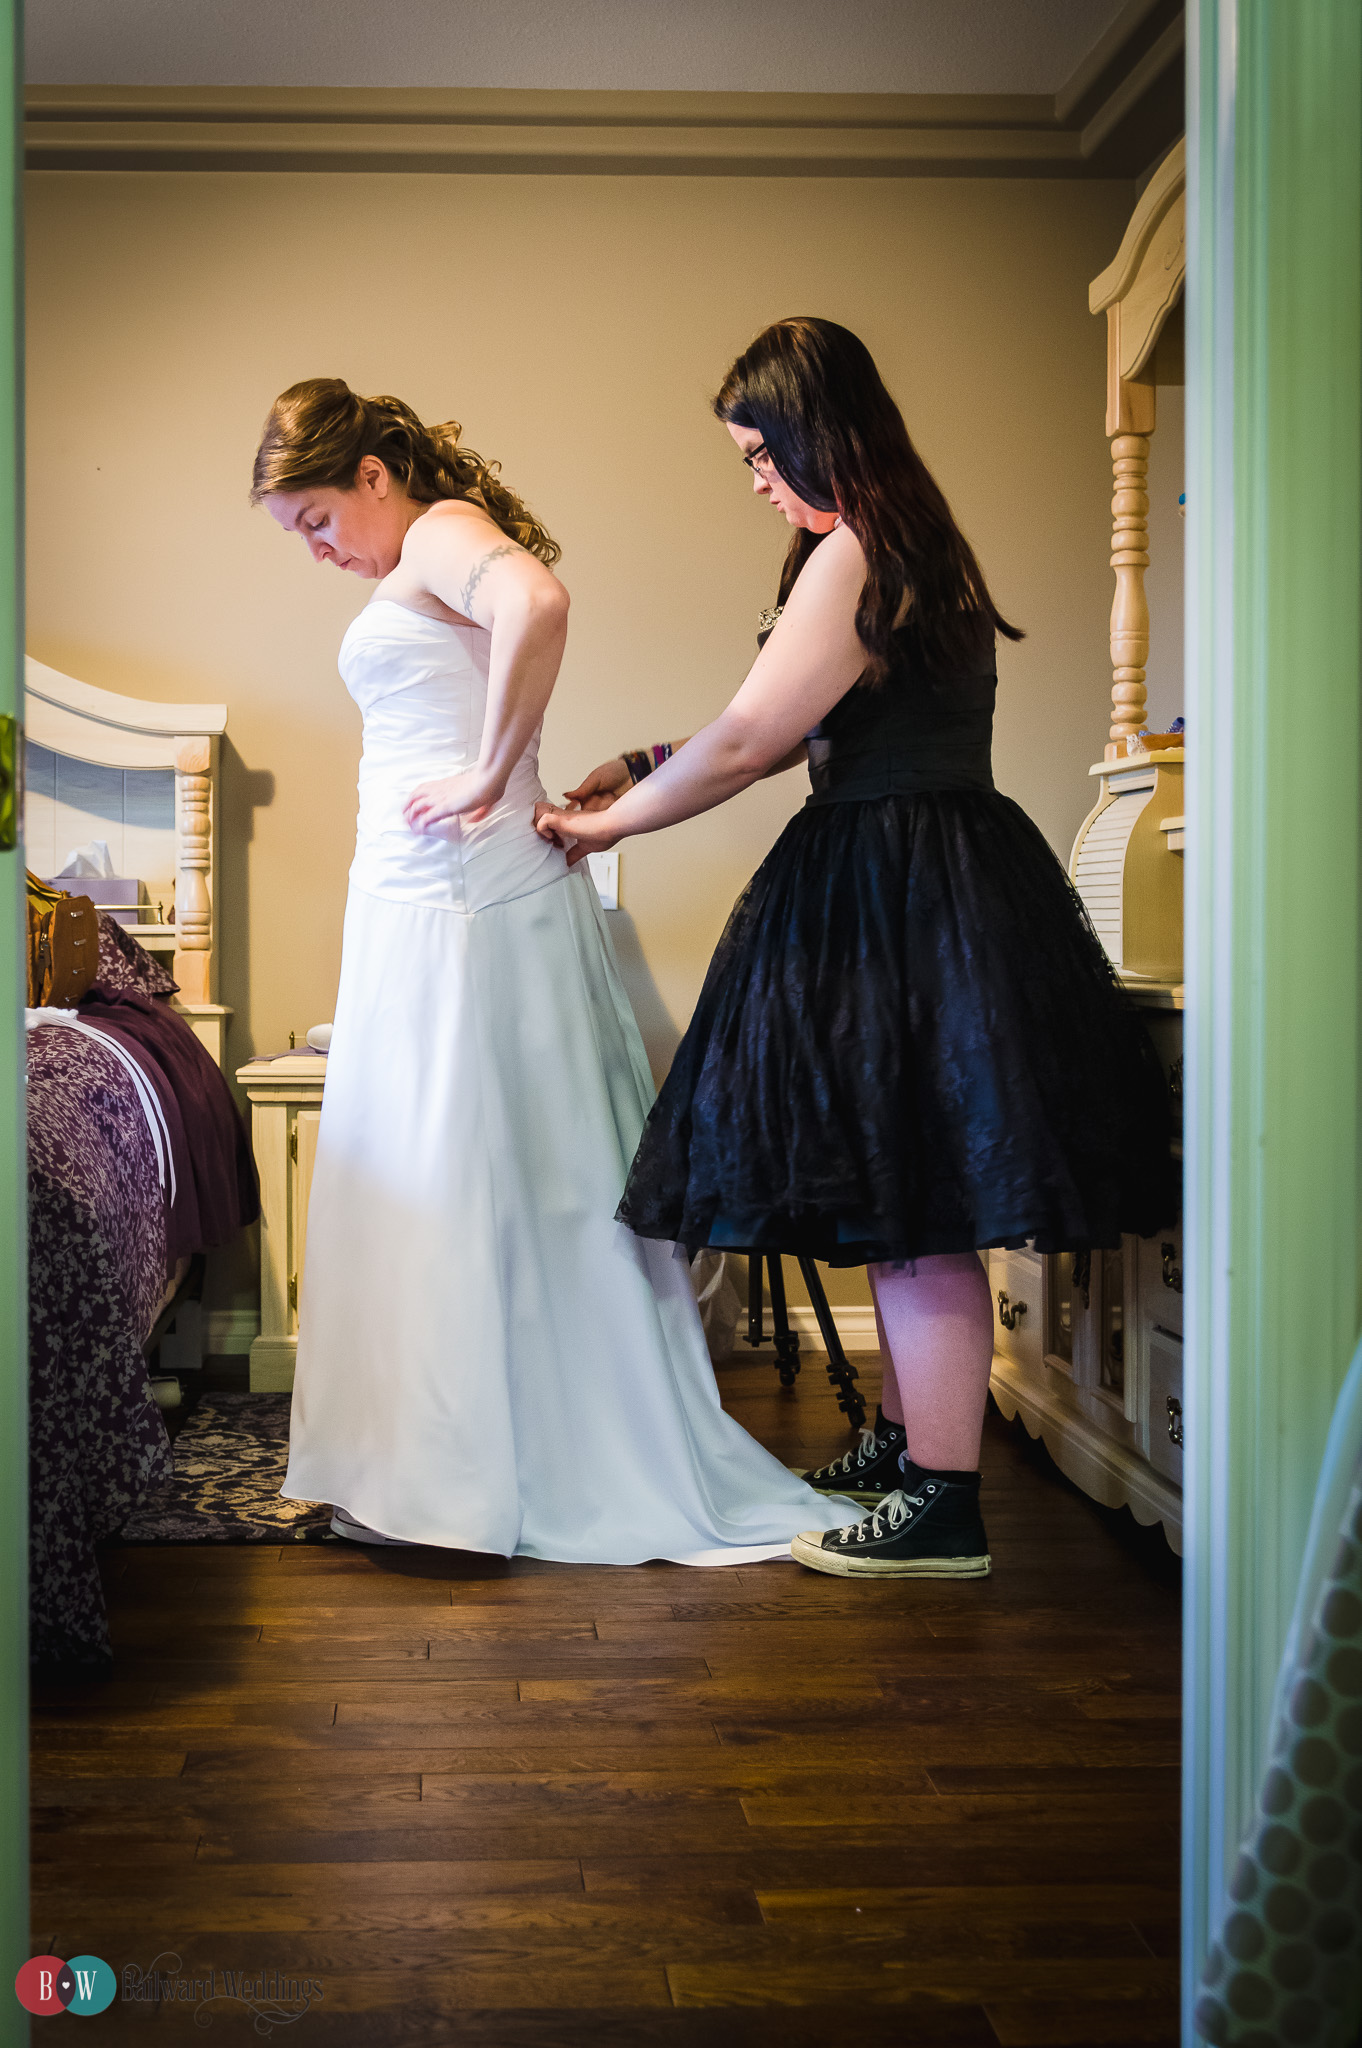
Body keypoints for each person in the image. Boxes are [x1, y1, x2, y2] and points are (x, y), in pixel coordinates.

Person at [536, 318, 1176, 1582]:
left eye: (761, 453)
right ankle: (902, 1446)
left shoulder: (857, 549)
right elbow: (780, 731)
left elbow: (746, 745)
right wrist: (648, 760)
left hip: (899, 890)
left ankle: (942, 1500)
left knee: (918, 1199)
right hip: (925, 875)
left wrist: (602, 821)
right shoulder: (892, 541)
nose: (759, 479)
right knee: (900, 1189)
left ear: (814, 429)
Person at [251, 377, 855, 1562]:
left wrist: (487, 777)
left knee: (461, 1163)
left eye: (319, 519)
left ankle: (452, 1480)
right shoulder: (422, 549)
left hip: (462, 901)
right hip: (433, 899)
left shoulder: (436, 529)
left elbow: (540, 599)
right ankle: (424, 1467)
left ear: (373, 473)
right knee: (463, 1167)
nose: (318, 551)